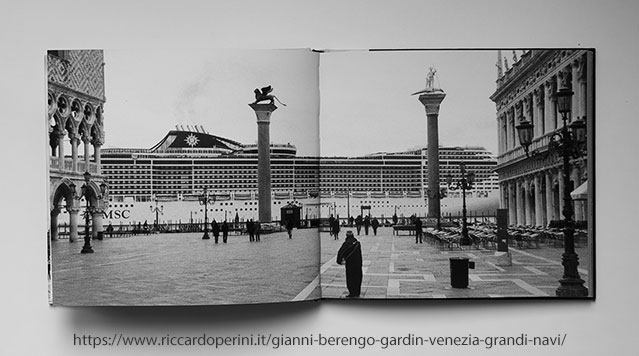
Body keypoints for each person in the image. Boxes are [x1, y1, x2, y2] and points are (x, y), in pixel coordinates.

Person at [336, 231, 362, 298]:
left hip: (350, 264)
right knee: (357, 278)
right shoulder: (357, 243)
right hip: (358, 264)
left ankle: (352, 293)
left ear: (346, 236)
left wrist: (339, 261)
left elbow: (340, 252)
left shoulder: (346, 243)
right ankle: (357, 292)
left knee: (350, 279)